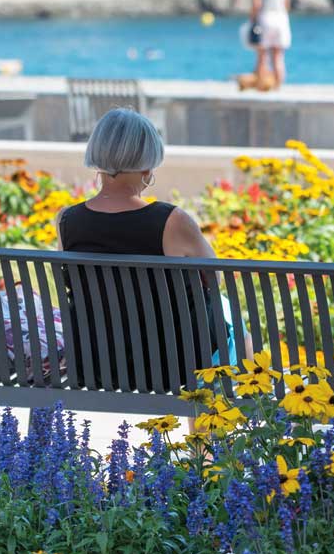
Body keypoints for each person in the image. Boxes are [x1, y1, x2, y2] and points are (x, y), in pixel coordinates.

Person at [55, 108, 229, 387]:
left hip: (96, 365)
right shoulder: (172, 221)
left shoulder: (67, 220)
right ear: (148, 166)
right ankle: (211, 430)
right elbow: (214, 280)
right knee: (230, 319)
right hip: (172, 366)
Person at [242, 0, 292, 90]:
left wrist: (252, 20)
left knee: (262, 55)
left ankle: (261, 85)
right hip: (281, 19)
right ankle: (278, 85)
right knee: (278, 56)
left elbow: (256, 4)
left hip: (265, 19)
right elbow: (287, 5)